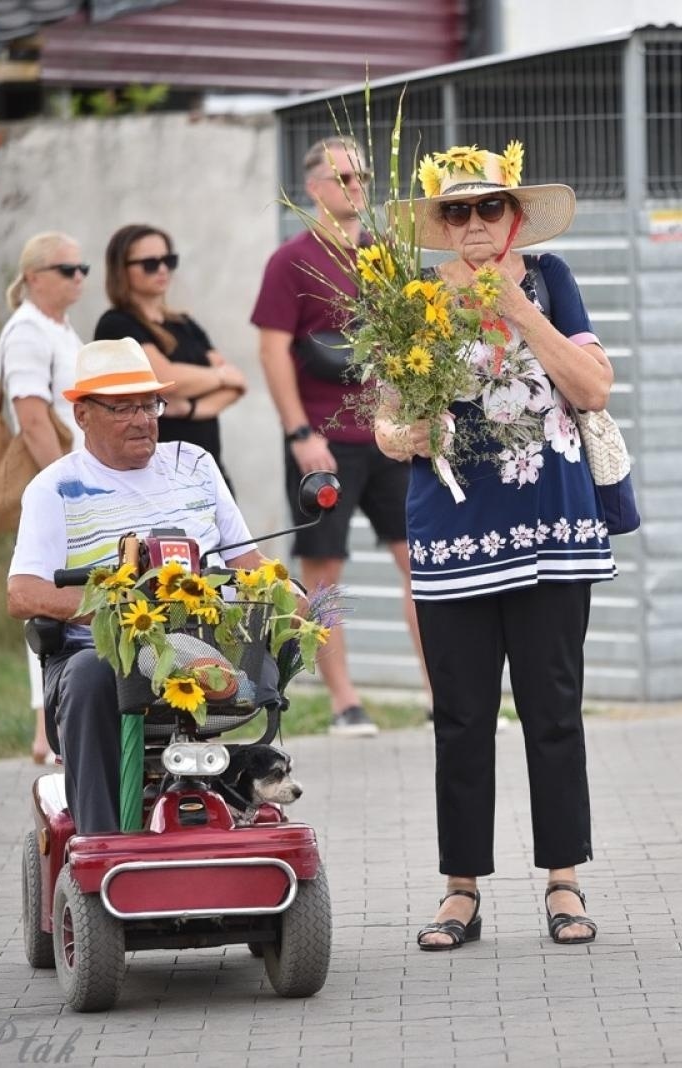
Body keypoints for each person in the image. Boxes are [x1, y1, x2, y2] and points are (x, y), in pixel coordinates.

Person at [375, 142, 613, 948]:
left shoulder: (549, 280)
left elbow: (593, 387)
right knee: (461, 718)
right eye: (457, 210)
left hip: (551, 530)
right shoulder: (412, 297)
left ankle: (564, 881)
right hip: (452, 535)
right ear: (441, 224)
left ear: (513, 216)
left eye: (489, 207)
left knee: (554, 711)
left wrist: (517, 310)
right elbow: (386, 416)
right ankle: (460, 890)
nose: (474, 222)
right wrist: (397, 434)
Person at [7, 338, 265, 834]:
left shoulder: (194, 463)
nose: (143, 420)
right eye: (123, 408)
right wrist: (112, 611)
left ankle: (247, 810)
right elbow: (22, 593)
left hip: (206, 645)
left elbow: (248, 563)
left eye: (150, 405)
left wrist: (292, 597)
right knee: (90, 673)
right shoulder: (55, 487)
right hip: (100, 653)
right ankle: (100, 841)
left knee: (266, 662)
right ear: (82, 415)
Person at [252, 136, 427, 737]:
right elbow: (272, 351)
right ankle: (344, 702)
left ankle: (443, 694)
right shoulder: (290, 260)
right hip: (323, 439)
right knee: (323, 572)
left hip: (389, 436)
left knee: (422, 561)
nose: (356, 187)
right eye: (344, 178)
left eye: (362, 177)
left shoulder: (385, 255)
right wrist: (300, 433)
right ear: (313, 188)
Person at [0, 231, 87, 766]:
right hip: (56, 487)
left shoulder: (60, 327)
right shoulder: (27, 330)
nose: (79, 278)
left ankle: (49, 727)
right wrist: (65, 485)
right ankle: (45, 731)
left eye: (82, 269)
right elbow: (31, 416)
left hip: (72, 482)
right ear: (33, 277)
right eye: (67, 269)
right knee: (46, 602)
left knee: (62, 601)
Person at [95, 223, 245, 489]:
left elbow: (237, 385)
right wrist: (219, 376)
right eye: (150, 263)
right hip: (157, 477)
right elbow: (164, 378)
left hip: (208, 471)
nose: (162, 269)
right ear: (122, 269)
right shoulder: (116, 324)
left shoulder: (184, 323)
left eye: (169, 260)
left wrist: (190, 409)